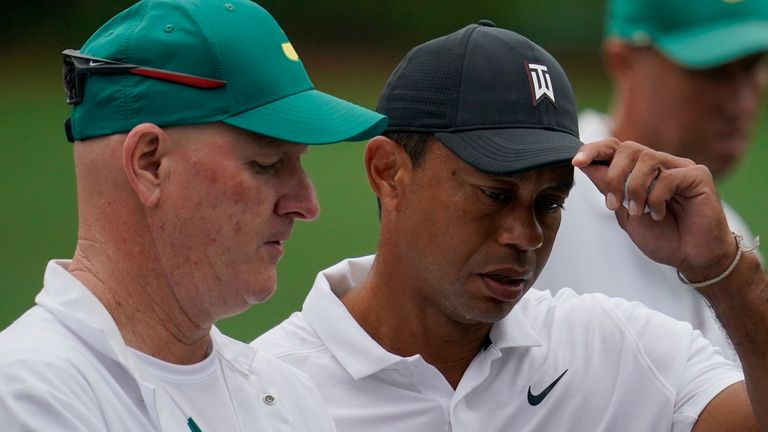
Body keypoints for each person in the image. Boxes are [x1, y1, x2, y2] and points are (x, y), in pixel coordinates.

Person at [253, 22, 768, 431]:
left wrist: (725, 270)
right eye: (494, 195)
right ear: (388, 171)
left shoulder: (614, 348)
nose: (525, 236)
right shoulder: (263, 394)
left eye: (548, 204)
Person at [0, 0, 387, 430]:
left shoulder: (287, 397)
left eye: (300, 162)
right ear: (149, 164)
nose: (306, 204)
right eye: (266, 164)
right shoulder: (25, 395)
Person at [534, 0, 768, 361]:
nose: (739, 102)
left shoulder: (729, 233)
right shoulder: (541, 199)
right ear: (621, 61)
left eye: (751, 67)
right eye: (713, 71)